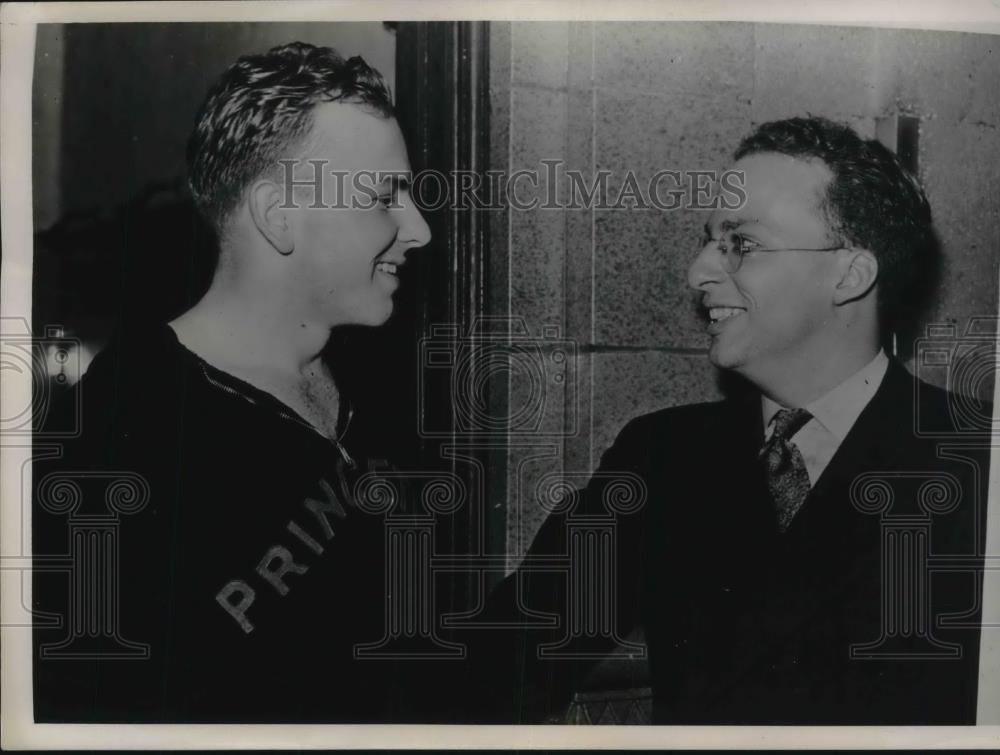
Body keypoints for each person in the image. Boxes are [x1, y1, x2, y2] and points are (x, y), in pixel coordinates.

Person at [476, 116, 991, 724]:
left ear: (849, 275)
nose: (698, 273)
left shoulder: (980, 458)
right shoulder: (661, 455)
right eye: (709, 240)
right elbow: (498, 659)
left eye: (740, 244)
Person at [32, 42, 436, 722]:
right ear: (278, 216)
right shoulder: (129, 424)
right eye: (382, 196)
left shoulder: (381, 391)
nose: (418, 229)